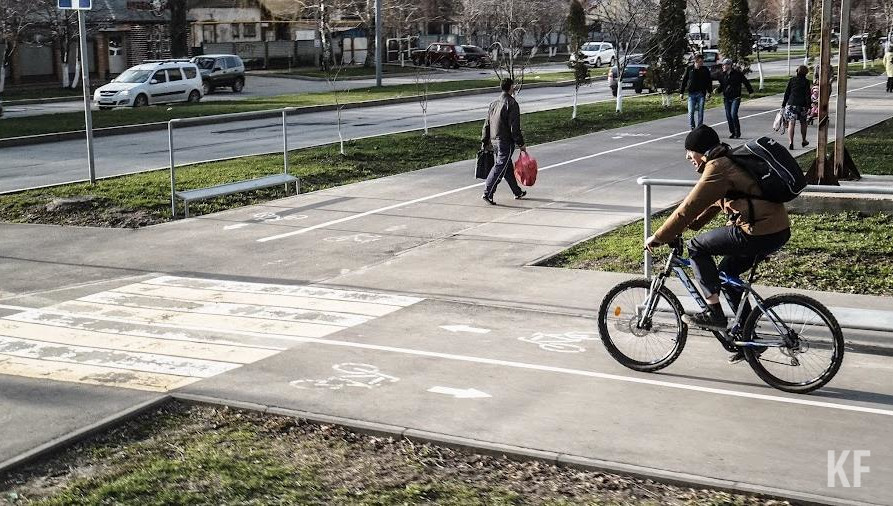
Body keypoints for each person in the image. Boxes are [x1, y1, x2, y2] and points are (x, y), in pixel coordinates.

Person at [644, 125, 791, 364]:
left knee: (696, 247)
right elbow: (710, 205)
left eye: (689, 151)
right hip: (775, 230)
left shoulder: (718, 167)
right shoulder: (727, 161)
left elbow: (689, 206)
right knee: (726, 275)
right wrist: (684, 228)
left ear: (700, 150)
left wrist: (659, 236)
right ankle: (749, 337)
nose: (687, 157)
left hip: (758, 230)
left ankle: (714, 314)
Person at [480, 78, 527, 205]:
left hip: (494, 140)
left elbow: (487, 124)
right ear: (511, 87)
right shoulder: (512, 103)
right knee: (500, 166)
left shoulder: (494, 103)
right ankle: (487, 192)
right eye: (513, 85)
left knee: (507, 167)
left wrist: (485, 140)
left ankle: (517, 192)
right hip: (505, 140)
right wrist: (521, 144)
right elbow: (514, 127)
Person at [715, 58, 753, 139]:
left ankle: (737, 132)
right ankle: (732, 132)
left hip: (736, 97)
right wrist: (717, 90)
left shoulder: (737, 74)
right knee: (728, 116)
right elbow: (722, 85)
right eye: (723, 65)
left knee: (733, 114)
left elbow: (745, 82)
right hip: (726, 98)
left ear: (730, 65)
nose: (723, 66)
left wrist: (751, 92)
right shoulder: (722, 75)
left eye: (725, 65)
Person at [782, 65, 812, 150]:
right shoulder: (806, 82)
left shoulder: (792, 80)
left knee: (791, 123)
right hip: (802, 105)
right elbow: (807, 94)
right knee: (803, 123)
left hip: (791, 104)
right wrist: (809, 106)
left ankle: (791, 142)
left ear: (797, 71)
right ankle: (804, 140)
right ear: (806, 73)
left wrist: (783, 104)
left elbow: (787, 93)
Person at [679, 54, 713, 130]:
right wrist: (681, 92)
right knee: (691, 112)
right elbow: (684, 80)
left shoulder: (705, 69)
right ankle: (692, 127)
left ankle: (700, 128)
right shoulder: (689, 69)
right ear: (696, 61)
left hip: (701, 93)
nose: (702, 63)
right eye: (700, 61)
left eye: (702, 61)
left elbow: (709, 81)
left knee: (700, 112)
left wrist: (709, 92)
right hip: (691, 94)